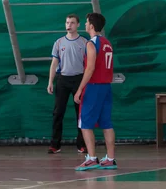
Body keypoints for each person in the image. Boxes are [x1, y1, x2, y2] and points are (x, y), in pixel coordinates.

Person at [73, 13, 116, 171]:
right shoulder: (107, 43)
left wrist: (79, 89)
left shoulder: (91, 44)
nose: (85, 24)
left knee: (85, 123)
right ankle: (110, 158)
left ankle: (91, 158)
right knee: (106, 123)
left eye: (86, 22)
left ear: (91, 25)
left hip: (94, 86)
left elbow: (90, 68)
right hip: (106, 87)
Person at [47, 14, 88, 154]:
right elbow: (54, 63)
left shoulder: (84, 42)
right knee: (58, 112)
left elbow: (89, 65)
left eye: (72, 22)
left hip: (79, 80)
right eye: (67, 22)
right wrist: (50, 81)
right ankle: (55, 145)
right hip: (62, 80)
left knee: (81, 113)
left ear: (78, 25)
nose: (69, 25)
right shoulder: (58, 43)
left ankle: (82, 144)